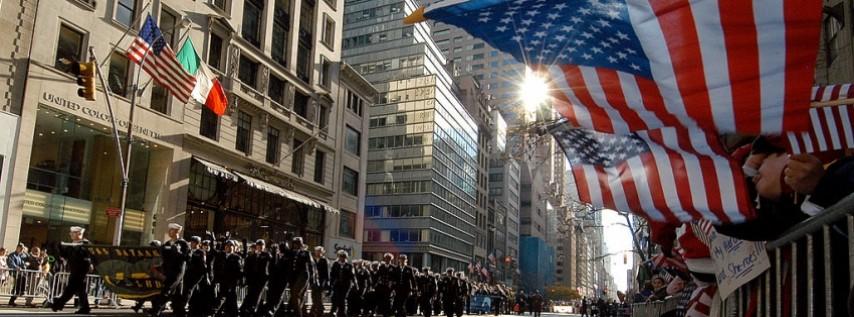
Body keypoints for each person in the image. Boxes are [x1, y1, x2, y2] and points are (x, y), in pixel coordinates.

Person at [150, 222, 190, 316]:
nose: (169, 231)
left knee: (167, 290)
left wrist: (178, 252)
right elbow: (161, 256)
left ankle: (156, 311)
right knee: (177, 296)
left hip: (177, 272)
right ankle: (180, 313)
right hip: (167, 271)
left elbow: (188, 258)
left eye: (171, 230)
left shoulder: (183, 244)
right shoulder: (167, 243)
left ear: (177, 231)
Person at [50, 226, 92, 314]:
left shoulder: (86, 244)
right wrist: (59, 247)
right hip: (74, 270)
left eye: (73, 232)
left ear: (79, 234)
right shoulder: (72, 245)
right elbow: (65, 255)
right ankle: (85, 308)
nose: (70, 234)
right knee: (80, 290)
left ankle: (58, 304)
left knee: (71, 289)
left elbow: (88, 257)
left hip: (81, 271)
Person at [242, 239, 272, 315]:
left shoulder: (266, 255)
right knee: (251, 293)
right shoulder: (252, 256)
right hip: (252, 279)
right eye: (259, 245)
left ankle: (254, 309)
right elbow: (247, 266)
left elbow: (271, 263)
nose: (260, 247)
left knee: (258, 294)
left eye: (262, 245)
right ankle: (249, 308)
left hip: (262, 279)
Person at [214, 240, 243, 316]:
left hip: (231, 282)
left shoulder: (236, 257)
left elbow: (239, 270)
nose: (229, 247)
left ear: (234, 247)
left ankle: (216, 311)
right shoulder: (220, 256)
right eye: (227, 245)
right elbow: (216, 267)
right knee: (229, 297)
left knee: (224, 296)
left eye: (231, 245)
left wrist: (237, 281)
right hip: (222, 280)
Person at [288, 237, 315, 317]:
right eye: (295, 243)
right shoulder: (291, 253)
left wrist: (312, 279)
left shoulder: (306, 253)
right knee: (298, 296)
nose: (296, 245)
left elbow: (311, 266)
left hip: (303, 275)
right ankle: (297, 312)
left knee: (296, 294)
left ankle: (298, 314)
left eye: (298, 243)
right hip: (293, 277)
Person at [184, 236, 208, 316]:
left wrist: (202, 276)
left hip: (196, 276)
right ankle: (192, 308)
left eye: (195, 242)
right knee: (192, 292)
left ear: (198, 243)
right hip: (187, 275)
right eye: (192, 242)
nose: (192, 243)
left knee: (191, 291)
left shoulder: (201, 252)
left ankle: (192, 309)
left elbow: (203, 266)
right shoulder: (188, 251)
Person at [330, 250, 356, 317]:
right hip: (337, 284)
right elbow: (332, 274)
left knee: (342, 298)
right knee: (335, 297)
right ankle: (333, 311)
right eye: (341, 256)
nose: (342, 258)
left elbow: (352, 275)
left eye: (344, 257)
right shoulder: (335, 264)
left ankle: (342, 313)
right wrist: (331, 283)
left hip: (345, 285)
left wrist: (355, 283)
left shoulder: (349, 265)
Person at [310, 246, 329, 317]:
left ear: (321, 252)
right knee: (313, 295)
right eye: (316, 251)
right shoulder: (312, 259)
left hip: (321, 280)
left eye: (319, 251)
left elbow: (326, 273)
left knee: (318, 296)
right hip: (314, 280)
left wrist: (326, 282)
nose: (317, 252)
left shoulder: (324, 260)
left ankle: (318, 310)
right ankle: (318, 309)